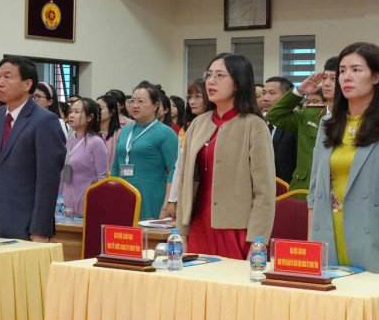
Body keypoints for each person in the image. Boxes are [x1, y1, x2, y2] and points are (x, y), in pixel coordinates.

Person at [307, 43, 379, 272]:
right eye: (342, 71)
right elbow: (314, 194)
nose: (347, 77)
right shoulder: (327, 125)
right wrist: (310, 245)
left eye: (356, 70)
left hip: (371, 239)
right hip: (327, 235)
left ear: (376, 77)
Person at [171, 53, 276, 258]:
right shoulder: (198, 124)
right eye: (209, 75)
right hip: (198, 225)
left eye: (220, 75)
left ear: (238, 82)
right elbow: (184, 180)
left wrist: (258, 242)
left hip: (236, 230)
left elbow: (264, 191)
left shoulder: (253, 125)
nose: (211, 81)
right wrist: (182, 231)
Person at [0, 55, 67, 241]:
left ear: (27, 84)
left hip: (25, 226)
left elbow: (47, 181)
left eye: (7, 77)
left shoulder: (44, 121)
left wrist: (40, 229)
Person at [264, 57, 339, 192]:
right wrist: (299, 92)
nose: (327, 83)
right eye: (325, 78)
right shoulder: (309, 115)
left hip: (337, 189)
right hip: (305, 188)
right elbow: (274, 116)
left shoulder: (355, 117)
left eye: (333, 79)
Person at [110, 84, 177, 221]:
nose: (135, 105)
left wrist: (168, 204)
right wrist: (112, 195)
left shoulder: (166, 133)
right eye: (132, 101)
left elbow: (174, 169)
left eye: (141, 101)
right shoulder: (126, 130)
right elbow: (116, 166)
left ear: (155, 105)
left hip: (152, 197)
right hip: (123, 196)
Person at [62, 97, 113, 218]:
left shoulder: (96, 142)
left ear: (89, 117)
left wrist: (98, 203)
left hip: (87, 200)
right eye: (71, 111)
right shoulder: (70, 140)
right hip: (66, 200)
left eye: (77, 112)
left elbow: (102, 177)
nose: (71, 115)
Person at [262, 76, 299, 183]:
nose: (265, 98)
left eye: (272, 93)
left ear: (287, 97)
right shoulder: (258, 123)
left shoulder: (295, 125)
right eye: (264, 93)